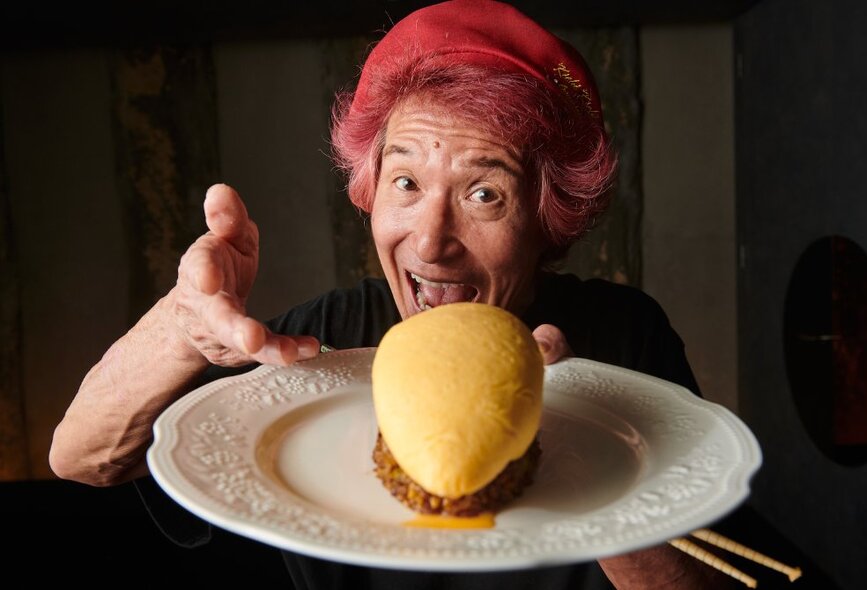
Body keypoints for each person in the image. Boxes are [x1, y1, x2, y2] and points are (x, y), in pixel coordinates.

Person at [50, 1, 733, 588]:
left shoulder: (625, 341)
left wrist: (588, 444)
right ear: (371, 189)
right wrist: (181, 326)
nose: (431, 242)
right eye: (406, 183)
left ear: (547, 217)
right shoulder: (322, 343)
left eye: (484, 193)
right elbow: (79, 459)